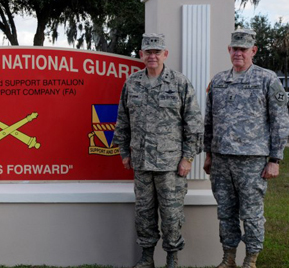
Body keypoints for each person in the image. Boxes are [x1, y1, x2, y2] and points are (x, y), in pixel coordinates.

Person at [113, 34, 203, 268]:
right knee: (144, 215)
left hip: (171, 166)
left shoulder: (179, 82)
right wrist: (124, 151)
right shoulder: (132, 83)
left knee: (172, 217)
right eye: (148, 52)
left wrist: (188, 157)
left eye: (157, 52)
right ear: (141, 55)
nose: (152, 56)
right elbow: (123, 119)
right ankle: (146, 258)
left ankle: (172, 259)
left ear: (165, 54)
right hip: (141, 163)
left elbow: (193, 123)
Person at [203, 29, 289, 268]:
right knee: (225, 213)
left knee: (251, 215)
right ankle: (228, 258)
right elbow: (209, 121)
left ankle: (250, 260)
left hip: (252, 160)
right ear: (229, 50)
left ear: (254, 50)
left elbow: (280, 121)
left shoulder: (267, 79)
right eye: (235, 48)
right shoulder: (219, 81)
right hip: (221, 160)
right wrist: (208, 155)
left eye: (243, 49)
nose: (238, 53)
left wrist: (275, 159)